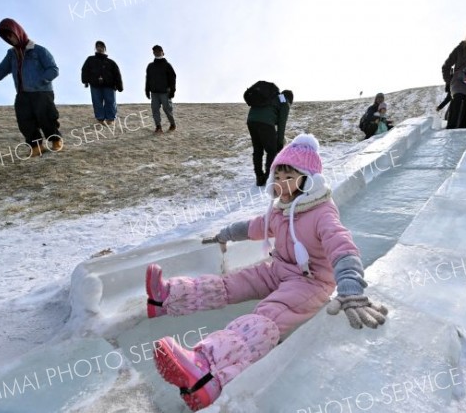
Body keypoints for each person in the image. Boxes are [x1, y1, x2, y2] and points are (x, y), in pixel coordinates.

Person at [145, 134, 388, 411]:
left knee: (268, 313)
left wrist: (351, 288)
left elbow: (342, 246)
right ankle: (169, 297)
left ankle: (208, 368)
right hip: (278, 270)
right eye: (278, 176)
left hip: (310, 285)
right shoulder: (279, 210)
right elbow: (255, 226)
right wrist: (226, 233)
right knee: (232, 283)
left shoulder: (322, 213)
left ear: (308, 179)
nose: (282, 184)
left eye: (290, 176)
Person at [0, 18, 62, 157]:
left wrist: (40, 81)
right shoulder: (11, 54)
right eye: (6, 37)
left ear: (17, 32)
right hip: (22, 94)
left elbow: (53, 69)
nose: (9, 38)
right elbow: (1, 69)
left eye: (10, 34)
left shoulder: (39, 50)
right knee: (24, 120)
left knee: (46, 117)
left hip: (42, 92)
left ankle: (55, 141)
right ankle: (36, 146)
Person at [247, 88, 293, 186]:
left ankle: (259, 178)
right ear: (290, 99)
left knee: (258, 150)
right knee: (272, 151)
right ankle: (268, 177)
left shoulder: (272, 97)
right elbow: (282, 124)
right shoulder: (284, 101)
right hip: (265, 123)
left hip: (251, 120)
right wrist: (280, 143)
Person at [81, 40, 123, 125]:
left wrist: (119, 86)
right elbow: (85, 70)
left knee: (110, 101)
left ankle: (110, 118)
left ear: (104, 49)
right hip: (95, 84)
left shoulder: (111, 62)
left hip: (109, 85)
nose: (100, 48)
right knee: (97, 101)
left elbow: (117, 74)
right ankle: (100, 118)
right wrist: (85, 81)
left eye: (102, 47)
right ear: (96, 48)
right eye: (98, 46)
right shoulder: (90, 59)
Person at [145, 45, 177, 134]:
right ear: (153, 53)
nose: (157, 52)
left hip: (165, 92)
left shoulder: (167, 65)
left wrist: (172, 91)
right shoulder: (150, 66)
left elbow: (173, 78)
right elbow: (148, 78)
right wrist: (147, 90)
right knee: (155, 109)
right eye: (155, 51)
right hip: (154, 92)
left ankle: (173, 124)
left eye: (158, 51)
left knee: (167, 109)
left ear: (162, 52)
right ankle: (158, 127)